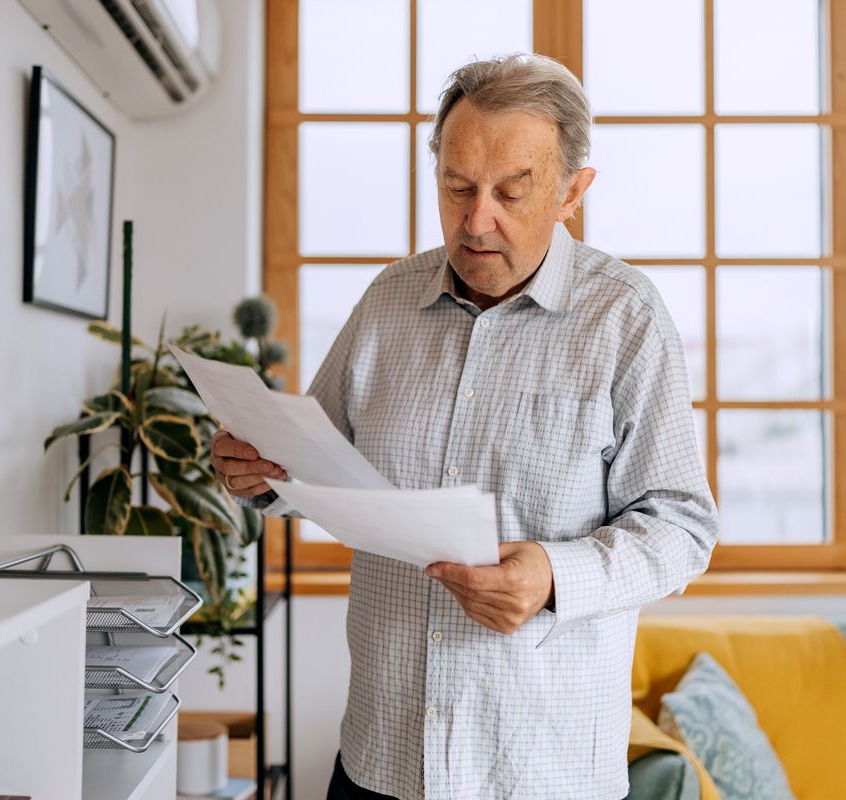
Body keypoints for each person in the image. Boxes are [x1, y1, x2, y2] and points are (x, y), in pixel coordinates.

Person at [210, 54, 719, 800]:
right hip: (381, 758)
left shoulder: (626, 319)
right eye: (456, 187)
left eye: (513, 192)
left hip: (543, 772)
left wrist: (552, 576)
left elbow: (682, 527)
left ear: (573, 191)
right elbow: (318, 467)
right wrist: (260, 471)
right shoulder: (388, 302)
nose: (477, 220)